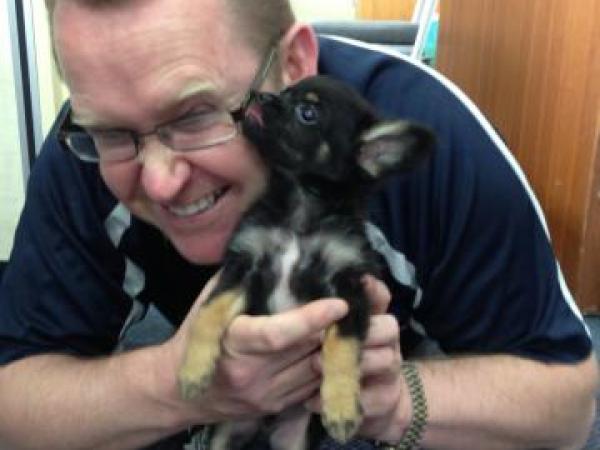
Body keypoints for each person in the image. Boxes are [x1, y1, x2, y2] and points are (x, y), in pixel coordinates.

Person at [0, 0, 597, 449]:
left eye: (198, 113)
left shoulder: (423, 141)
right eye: (112, 132)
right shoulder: (83, 148)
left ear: (292, 65)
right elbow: (12, 404)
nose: (157, 180)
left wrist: (393, 401)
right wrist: (169, 384)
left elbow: (570, 407)